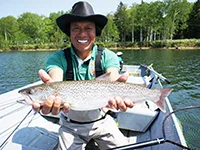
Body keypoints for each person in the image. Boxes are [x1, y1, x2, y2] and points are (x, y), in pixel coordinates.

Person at [33, 1, 134, 150]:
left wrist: (118, 91)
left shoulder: (108, 56)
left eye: (88, 28)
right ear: (70, 32)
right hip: (70, 126)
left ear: (96, 32)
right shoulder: (57, 58)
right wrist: (51, 93)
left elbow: (112, 77)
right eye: (76, 29)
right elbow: (55, 79)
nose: (82, 34)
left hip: (102, 121)